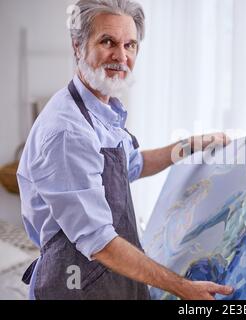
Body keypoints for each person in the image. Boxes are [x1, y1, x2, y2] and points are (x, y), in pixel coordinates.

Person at [17, 0, 233, 300]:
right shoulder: (68, 130)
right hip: (73, 287)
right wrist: (182, 287)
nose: (121, 56)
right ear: (78, 46)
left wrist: (189, 146)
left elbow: (132, 165)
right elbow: (99, 241)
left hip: (110, 281)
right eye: (108, 42)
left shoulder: (101, 111)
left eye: (130, 45)